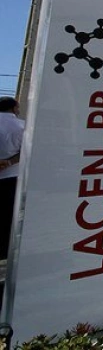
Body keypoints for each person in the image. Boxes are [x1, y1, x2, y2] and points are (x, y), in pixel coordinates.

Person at [0, 97, 25, 261]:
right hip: (10, 177)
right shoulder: (21, 126)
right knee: (7, 217)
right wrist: (8, 162)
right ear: (14, 108)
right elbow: (26, 151)